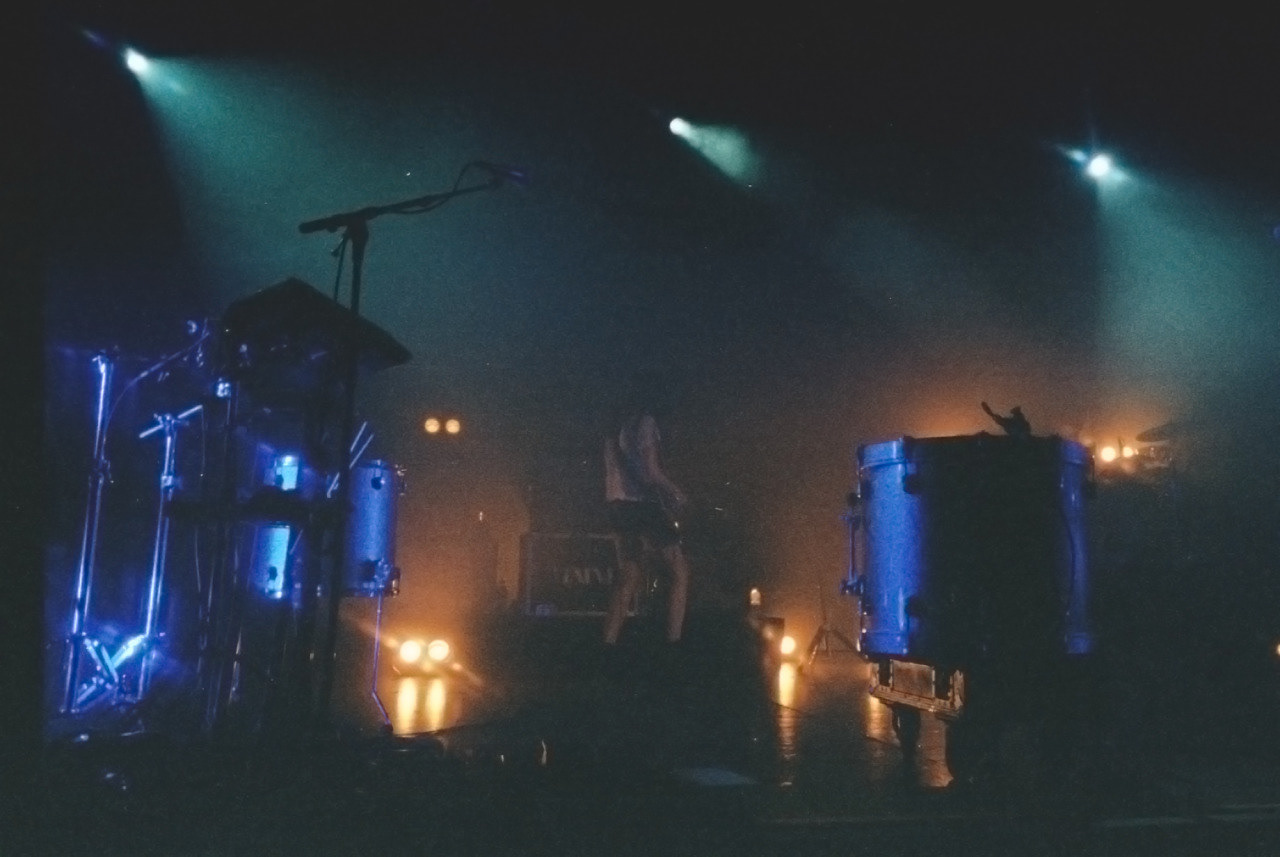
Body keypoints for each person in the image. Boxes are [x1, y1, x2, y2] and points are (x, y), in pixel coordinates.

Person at [601, 384, 691, 647]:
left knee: (628, 576)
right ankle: (674, 644)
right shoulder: (646, 423)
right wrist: (675, 492)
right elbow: (651, 472)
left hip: (617, 506)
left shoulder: (616, 427)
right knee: (679, 570)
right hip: (641, 504)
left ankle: (607, 645)